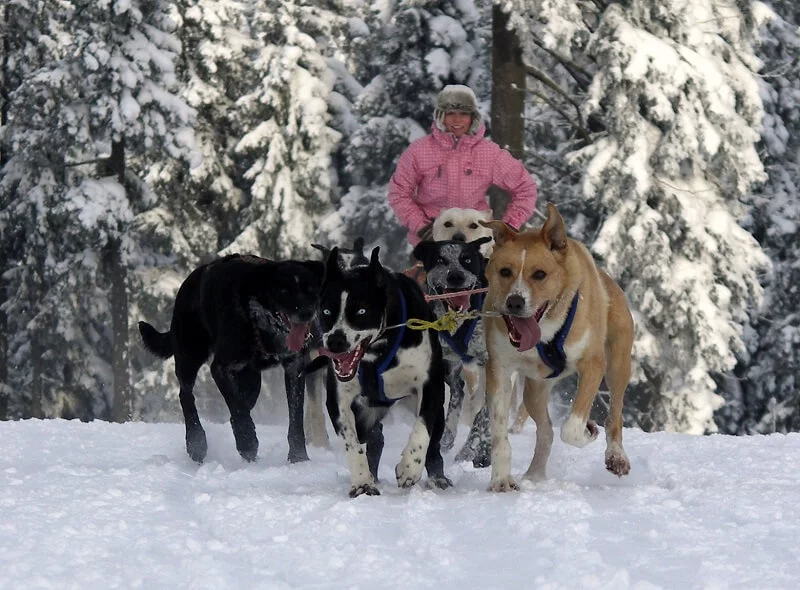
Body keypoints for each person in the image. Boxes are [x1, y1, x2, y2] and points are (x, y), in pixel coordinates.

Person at [388, 84, 538, 246]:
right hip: (430, 244)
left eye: (464, 114)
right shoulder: (419, 151)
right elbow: (399, 193)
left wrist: (507, 227)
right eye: (450, 113)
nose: (457, 120)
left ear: (473, 118)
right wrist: (422, 227)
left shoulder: (489, 153)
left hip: (477, 245)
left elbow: (526, 189)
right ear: (440, 116)